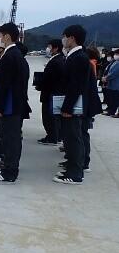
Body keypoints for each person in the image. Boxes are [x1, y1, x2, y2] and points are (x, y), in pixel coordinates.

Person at [0, 22, 26, 185]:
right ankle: (9, 166)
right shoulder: (16, 55)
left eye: (0, 35)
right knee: (11, 137)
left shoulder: (9, 56)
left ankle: (9, 173)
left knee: (10, 138)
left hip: (9, 105)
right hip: (15, 103)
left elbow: (4, 85)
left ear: (7, 36)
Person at [52, 25, 90, 185]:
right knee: (69, 136)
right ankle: (71, 165)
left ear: (72, 38)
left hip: (72, 106)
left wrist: (67, 108)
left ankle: (75, 173)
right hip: (69, 103)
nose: (63, 40)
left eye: (65, 36)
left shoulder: (79, 58)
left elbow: (75, 86)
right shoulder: (73, 56)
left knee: (74, 137)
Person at [36, 39, 66, 145]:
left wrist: (40, 85)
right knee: (53, 117)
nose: (48, 49)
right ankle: (56, 136)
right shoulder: (59, 59)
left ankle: (52, 137)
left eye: (49, 46)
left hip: (51, 93)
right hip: (53, 92)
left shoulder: (56, 61)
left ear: (56, 48)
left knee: (49, 117)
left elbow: (51, 79)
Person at [101, 49, 119, 117]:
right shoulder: (115, 62)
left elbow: (114, 73)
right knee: (112, 98)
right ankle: (111, 111)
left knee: (114, 99)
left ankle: (112, 111)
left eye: (117, 54)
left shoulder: (118, 63)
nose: (115, 56)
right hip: (112, 84)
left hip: (116, 84)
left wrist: (106, 78)